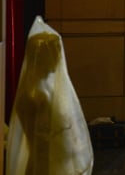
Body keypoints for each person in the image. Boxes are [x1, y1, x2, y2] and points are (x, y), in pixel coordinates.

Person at [6, 16, 93, 175]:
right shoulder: (41, 95)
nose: (59, 58)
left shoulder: (32, 89)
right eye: (56, 53)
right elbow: (55, 138)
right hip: (49, 167)